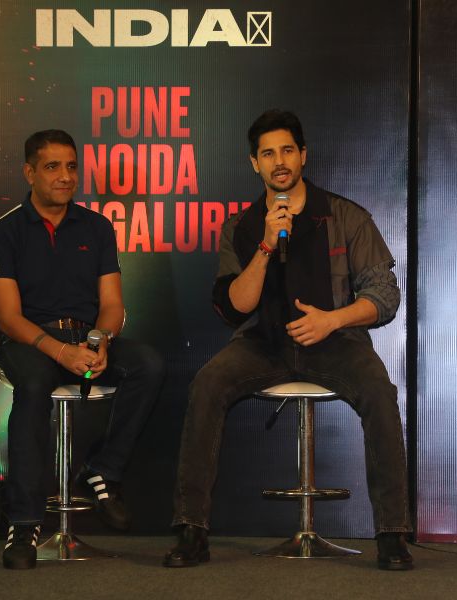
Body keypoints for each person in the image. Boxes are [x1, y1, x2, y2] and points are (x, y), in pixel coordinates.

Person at [164, 109, 413, 571]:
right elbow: (233, 307)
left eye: (286, 151)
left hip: (336, 342)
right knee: (207, 384)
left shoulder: (346, 216)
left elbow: (385, 296)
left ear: (303, 155)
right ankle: (191, 530)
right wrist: (265, 244)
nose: (278, 161)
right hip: (263, 344)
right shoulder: (240, 226)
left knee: (379, 390)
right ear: (253, 163)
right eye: (267, 154)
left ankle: (392, 534)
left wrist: (332, 321)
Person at [0, 129, 165, 569]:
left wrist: (99, 342)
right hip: (28, 342)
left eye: (71, 166)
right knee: (33, 385)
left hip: (85, 339)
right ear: (29, 173)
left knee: (149, 365)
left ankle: (103, 471)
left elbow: (113, 305)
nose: (65, 176)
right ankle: (24, 523)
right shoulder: (4, 231)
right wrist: (61, 352)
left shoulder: (96, 227)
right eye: (52, 167)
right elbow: (8, 317)